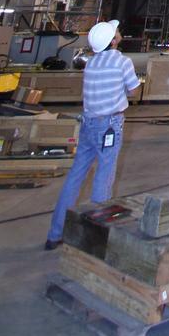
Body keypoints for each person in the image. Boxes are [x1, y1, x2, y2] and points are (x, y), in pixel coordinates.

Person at [44, 20, 140, 250]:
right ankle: (96, 239)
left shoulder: (92, 63)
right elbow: (135, 90)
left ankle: (55, 233)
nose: (119, 33)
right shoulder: (122, 62)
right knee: (103, 179)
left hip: (87, 124)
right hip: (109, 125)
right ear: (113, 40)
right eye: (116, 32)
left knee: (75, 176)